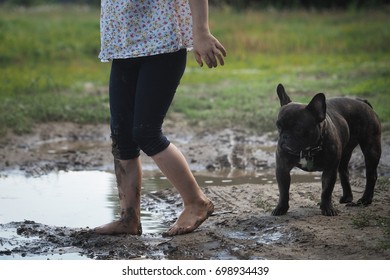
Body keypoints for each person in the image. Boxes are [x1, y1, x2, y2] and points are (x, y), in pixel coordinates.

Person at [95, 0, 226, 236]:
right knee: (122, 137)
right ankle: (129, 219)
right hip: (123, 45)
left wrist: (201, 31)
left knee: (146, 132)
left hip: (162, 44)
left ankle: (196, 202)